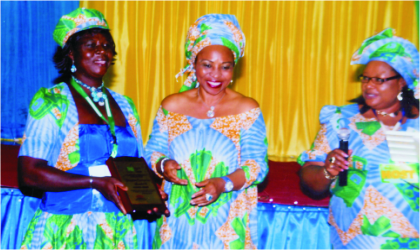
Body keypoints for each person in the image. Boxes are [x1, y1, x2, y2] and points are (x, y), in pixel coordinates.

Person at [18, 8, 166, 249]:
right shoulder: (52, 101)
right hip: (65, 227)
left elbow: (135, 164)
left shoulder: (125, 105)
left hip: (116, 228)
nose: (101, 50)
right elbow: (30, 173)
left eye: (106, 45)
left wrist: (152, 190)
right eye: (91, 44)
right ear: (71, 54)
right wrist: (94, 182)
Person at [145, 14, 268, 249]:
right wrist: (163, 165)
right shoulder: (172, 106)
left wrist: (222, 184)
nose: (215, 75)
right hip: (177, 222)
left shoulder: (247, 108)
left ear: (234, 69)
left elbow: (257, 166)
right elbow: (153, 151)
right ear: (193, 63)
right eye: (207, 65)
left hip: (226, 224)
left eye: (225, 67)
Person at [299, 28, 419, 249]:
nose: (369, 85)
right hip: (352, 239)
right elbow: (310, 181)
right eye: (365, 78)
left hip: (409, 239)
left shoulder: (417, 124)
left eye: (379, 80)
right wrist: (328, 171)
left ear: (402, 82)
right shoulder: (341, 120)